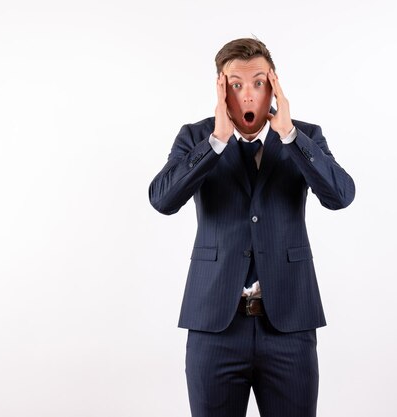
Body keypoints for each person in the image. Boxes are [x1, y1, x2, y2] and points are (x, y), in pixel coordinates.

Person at [149, 37, 355, 417]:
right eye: (236, 84)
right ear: (220, 88)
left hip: (289, 327)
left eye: (259, 83)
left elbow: (341, 195)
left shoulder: (304, 136)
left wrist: (291, 136)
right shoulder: (196, 138)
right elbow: (162, 199)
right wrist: (217, 141)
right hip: (215, 326)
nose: (248, 96)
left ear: (274, 85)